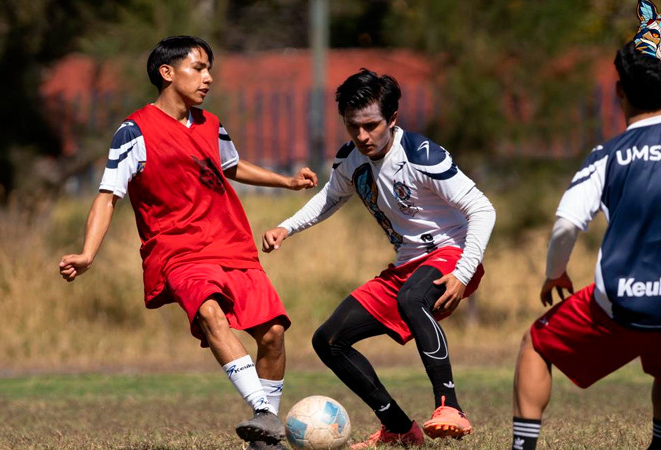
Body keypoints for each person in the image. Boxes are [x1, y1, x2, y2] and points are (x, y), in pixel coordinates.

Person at [58, 35, 317, 449]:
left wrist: (285, 181)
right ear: (167, 72)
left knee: (272, 334)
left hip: (234, 247)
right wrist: (88, 253)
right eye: (198, 68)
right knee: (211, 313)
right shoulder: (133, 131)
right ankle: (265, 413)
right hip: (179, 252)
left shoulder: (211, 124)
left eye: (208, 68)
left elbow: (232, 165)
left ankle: (262, 440)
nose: (208, 77)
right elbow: (107, 196)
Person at [263, 69, 496, 448]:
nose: (362, 136)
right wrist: (286, 227)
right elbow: (330, 197)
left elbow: (482, 209)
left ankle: (450, 406)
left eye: (371, 126)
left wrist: (463, 272)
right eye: (352, 127)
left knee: (412, 299)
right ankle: (399, 427)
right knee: (329, 340)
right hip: (406, 264)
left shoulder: (421, 155)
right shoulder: (352, 158)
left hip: (449, 251)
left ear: (392, 119)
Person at [511, 2, 661, 449]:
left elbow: (564, 227)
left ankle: (523, 447)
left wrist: (554, 271)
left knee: (536, 344)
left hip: (619, 304)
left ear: (619, 93)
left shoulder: (608, 156)